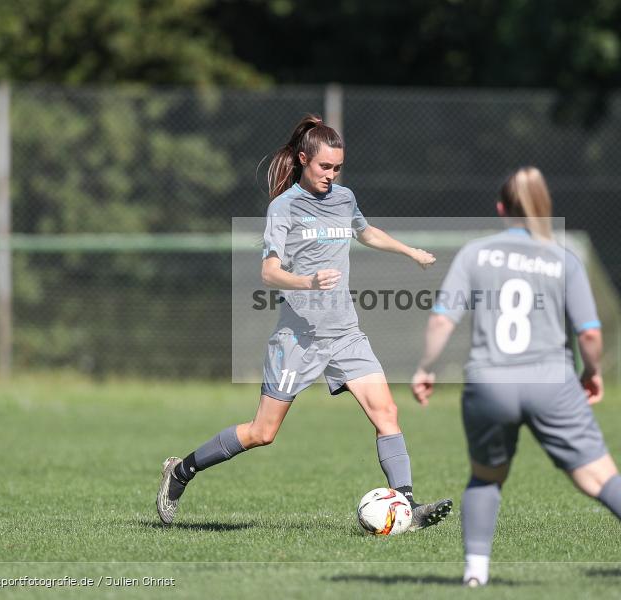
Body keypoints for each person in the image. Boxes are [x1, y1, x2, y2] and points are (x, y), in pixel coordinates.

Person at [411, 166, 621, 587]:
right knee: (600, 478)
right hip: (552, 382)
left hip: (490, 382)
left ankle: (475, 576)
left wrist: (426, 368)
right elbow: (589, 332)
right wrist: (594, 372)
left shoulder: (475, 253)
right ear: (544, 206)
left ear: (500, 208)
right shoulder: (563, 257)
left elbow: (442, 321)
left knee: (485, 477)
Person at [156, 114, 452, 531]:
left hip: (345, 333)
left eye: (337, 168)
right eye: (324, 167)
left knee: (387, 411)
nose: (331, 175)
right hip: (299, 338)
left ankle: (405, 504)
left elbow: (364, 233)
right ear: (303, 160)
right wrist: (307, 281)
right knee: (262, 432)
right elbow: (269, 273)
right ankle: (180, 471)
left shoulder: (344, 198)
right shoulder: (284, 207)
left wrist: (410, 252)